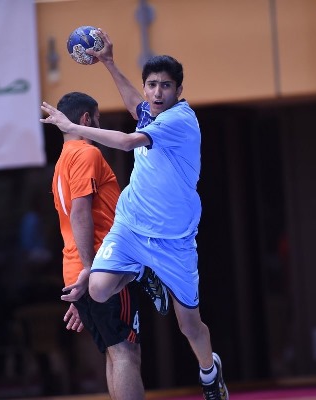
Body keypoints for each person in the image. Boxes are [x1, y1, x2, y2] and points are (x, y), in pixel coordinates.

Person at [41, 29, 229, 400]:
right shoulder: (148, 114)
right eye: (151, 85)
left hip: (173, 239)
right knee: (98, 289)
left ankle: (210, 372)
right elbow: (134, 107)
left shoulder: (179, 121)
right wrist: (109, 63)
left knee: (189, 325)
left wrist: (72, 127)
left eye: (166, 86)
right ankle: (143, 272)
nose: (157, 93)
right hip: (130, 226)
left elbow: (128, 141)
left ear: (178, 91)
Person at [50, 91, 144, 400]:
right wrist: (91, 270)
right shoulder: (86, 154)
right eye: (98, 119)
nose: (99, 126)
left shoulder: (62, 162)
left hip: (77, 269)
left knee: (114, 352)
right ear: (86, 119)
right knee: (126, 353)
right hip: (103, 266)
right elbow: (79, 212)